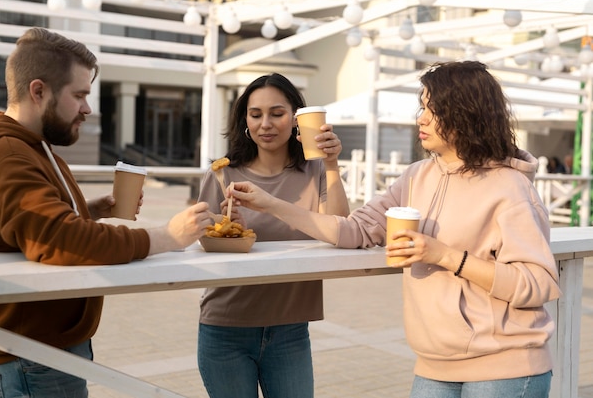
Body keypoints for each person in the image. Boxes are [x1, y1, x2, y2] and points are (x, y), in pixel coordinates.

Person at [229, 61, 561, 398]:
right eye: (423, 107)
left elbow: (539, 282)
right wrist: (270, 203)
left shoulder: (510, 188)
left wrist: (443, 254)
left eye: (434, 109)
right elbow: (353, 230)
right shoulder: (416, 176)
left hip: (505, 366)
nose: (422, 118)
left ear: (467, 113)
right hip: (434, 365)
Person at [0, 27, 212, 398]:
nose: (88, 108)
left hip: (31, 349)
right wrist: (166, 237)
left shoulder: (29, 146)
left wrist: (86, 210)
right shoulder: (10, 154)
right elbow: (60, 240)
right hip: (29, 355)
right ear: (38, 91)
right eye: (79, 95)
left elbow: (25, 225)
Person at [196, 72, 349, 398]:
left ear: (295, 118)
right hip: (225, 329)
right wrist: (226, 231)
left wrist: (333, 164)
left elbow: (341, 229)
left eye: (277, 113)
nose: (265, 123)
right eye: (256, 114)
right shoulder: (223, 174)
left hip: (290, 329)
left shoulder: (316, 171)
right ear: (245, 120)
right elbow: (201, 239)